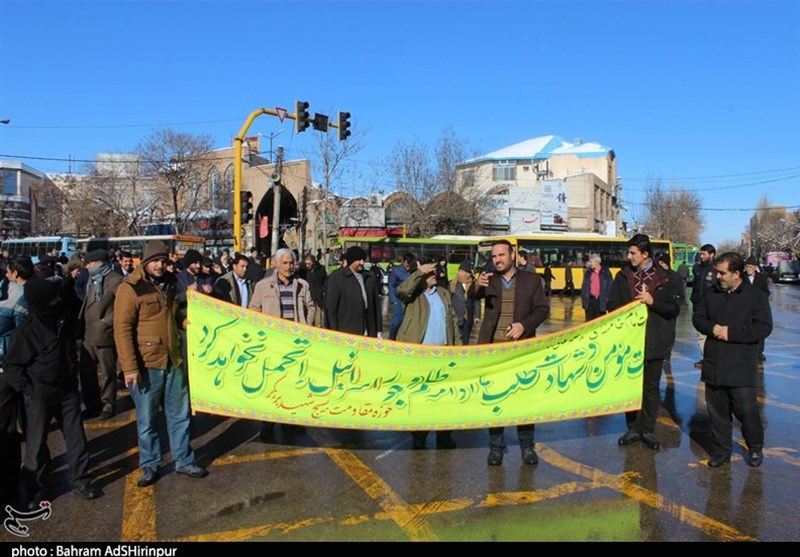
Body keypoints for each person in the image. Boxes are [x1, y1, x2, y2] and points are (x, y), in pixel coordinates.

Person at [114, 241, 207, 487]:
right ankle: (150, 465)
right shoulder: (130, 288)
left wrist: (183, 320)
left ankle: (184, 460)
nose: (160, 265)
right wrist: (130, 367)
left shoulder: (172, 283)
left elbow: (173, 314)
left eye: (163, 261)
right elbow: (122, 329)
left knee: (179, 415)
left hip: (174, 360)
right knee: (147, 420)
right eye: (155, 260)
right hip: (147, 364)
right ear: (145, 261)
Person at [4, 278, 102, 507]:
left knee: (76, 437)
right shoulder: (26, 331)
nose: (58, 300)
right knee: (35, 444)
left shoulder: (63, 319)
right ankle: (36, 488)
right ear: (41, 303)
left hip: (67, 389)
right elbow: (12, 366)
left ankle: (81, 479)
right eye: (52, 299)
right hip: (39, 393)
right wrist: (29, 390)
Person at [468, 240, 549, 466]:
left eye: (501, 255)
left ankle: (527, 446)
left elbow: (543, 309)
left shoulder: (531, 280)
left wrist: (525, 325)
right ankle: (496, 447)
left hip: (521, 351)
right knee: (496, 400)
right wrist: (476, 285)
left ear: (512, 256)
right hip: (493, 350)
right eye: (494, 257)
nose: (497, 260)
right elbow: (471, 296)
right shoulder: (488, 279)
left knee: (523, 400)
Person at [692, 252, 772, 468]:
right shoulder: (711, 293)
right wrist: (712, 328)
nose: (718, 276)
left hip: (741, 365)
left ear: (736, 274)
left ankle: (755, 447)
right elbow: (698, 318)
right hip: (714, 362)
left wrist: (732, 333)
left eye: (722, 273)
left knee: (746, 410)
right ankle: (721, 451)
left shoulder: (755, 296)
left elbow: (764, 327)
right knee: (717, 413)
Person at [608, 234, 681, 452]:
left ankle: (647, 430)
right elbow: (612, 304)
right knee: (630, 386)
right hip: (629, 341)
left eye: (633, 253)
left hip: (655, 341)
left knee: (650, 388)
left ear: (645, 254)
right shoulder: (622, 276)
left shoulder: (668, 277)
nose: (628, 257)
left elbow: (674, 310)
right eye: (628, 253)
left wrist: (653, 302)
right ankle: (632, 428)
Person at [249, 248, 315, 440]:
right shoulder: (263, 286)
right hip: (273, 344)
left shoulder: (302, 285)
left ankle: (291, 420)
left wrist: (306, 325)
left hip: (296, 343)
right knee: (272, 385)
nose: (288, 267)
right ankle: (268, 423)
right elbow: (254, 310)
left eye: (291, 263)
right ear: (275, 264)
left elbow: (311, 307)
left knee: (294, 383)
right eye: (284, 263)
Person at [396, 258, 461, 450]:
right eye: (431, 273)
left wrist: (458, 346)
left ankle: (444, 435)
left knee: (444, 397)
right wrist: (418, 272)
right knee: (421, 397)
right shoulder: (414, 294)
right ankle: (419, 434)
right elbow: (402, 290)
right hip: (420, 355)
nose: (437, 275)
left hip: (443, 352)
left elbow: (453, 321)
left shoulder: (443, 293)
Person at [78, 249, 124, 420]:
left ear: (98, 263)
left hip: (104, 334)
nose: (86, 266)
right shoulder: (92, 279)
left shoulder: (115, 280)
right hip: (88, 334)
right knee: (86, 372)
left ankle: (108, 404)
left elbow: (123, 306)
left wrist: (106, 322)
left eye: (89, 263)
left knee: (107, 372)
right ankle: (92, 404)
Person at [0, 257, 30, 508]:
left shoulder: (17, 295)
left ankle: (9, 487)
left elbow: (23, 337)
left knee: (7, 431)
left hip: (5, 373)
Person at [325, 246, 383, 338]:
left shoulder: (369, 278)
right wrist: (334, 333)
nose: (362, 262)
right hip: (347, 333)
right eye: (359, 260)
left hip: (368, 333)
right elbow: (331, 310)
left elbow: (376, 306)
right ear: (352, 260)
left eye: (363, 259)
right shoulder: (337, 278)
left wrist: (379, 329)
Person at [691, 244, 717, 369]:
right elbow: (695, 286)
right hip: (698, 305)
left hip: (712, 307)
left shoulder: (716, 269)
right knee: (701, 334)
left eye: (704, 254)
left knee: (713, 333)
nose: (701, 256)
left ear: (712, 254)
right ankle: (705, 358)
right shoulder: (698, 268)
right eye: (700, 254)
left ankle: (714, 359)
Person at [744, 256, 770, 361]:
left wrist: (761, 300)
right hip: (745, 308)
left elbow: (766, 291)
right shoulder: (742, 277)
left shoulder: (762, 278)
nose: (748, 268)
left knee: (759, 329)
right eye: (747, 266)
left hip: (758, 308)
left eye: (750, 266)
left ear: (755, 267)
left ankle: (760, 351)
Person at [449, 260, 481, 345]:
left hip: (468, 318)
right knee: (458, 339)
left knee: (466, 340)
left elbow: (476, 300)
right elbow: (448, 300)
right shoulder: (453, 284)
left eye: (462, 271)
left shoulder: (473, 285)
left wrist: (477, 315)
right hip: (456, 317)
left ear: (468, 274)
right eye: (459, 271)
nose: (459, 273)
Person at [388, 253, 416, 340]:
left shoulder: (413, 270)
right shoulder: (396, 271)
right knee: (397, 319)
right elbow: (391, 285)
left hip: (409, 299)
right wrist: (394, 300)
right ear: (404, 261)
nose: (409, 265)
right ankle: (392, 337)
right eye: (408, 262)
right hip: (398, 299)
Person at [580, 254, 613, 321]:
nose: (589, 264)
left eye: (591, 262)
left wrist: (608, 301)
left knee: (600, 322)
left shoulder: (606, 272)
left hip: (600, 301)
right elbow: (584, 286)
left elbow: (610, 287)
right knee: (589, 323)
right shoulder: (588, 272)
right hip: (590, 301)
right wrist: (584, 300)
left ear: (597, 262)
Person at [303, 254, 327, 328]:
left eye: (309, 264)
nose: (307, 265)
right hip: (308, 296)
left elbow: (325, 281)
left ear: (313, 262)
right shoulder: (304, 271)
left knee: (318, 318)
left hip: (318, 297)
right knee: (309, 317)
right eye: (306, 263)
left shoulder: (321, 269)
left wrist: (322, 290)